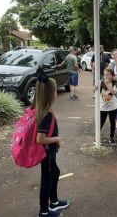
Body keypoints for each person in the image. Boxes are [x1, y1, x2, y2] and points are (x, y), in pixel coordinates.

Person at [32, 68, 70, 217]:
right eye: (55, 90)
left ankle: (53, 202)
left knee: (55, 172)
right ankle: (44, 211)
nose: (56, 92)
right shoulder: (46, 114)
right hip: (47, 152)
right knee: (46, 180)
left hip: (50, 152)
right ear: (51, 93)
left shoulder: (43, 109)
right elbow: (40, 139)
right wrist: (57, 139)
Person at [94, 68, 117, 145]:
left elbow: (115, 93)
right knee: (100, 122)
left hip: (113, 107)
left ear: (112, 75)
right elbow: (95, 90)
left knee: (112, 122)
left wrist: (108, 85)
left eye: (108, 75)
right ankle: (96, 138)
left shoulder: (115, 82)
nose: (106, 76)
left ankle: (112, 138)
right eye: (105, 75)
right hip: (103, 107)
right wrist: (94, 88)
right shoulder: (100, 82)